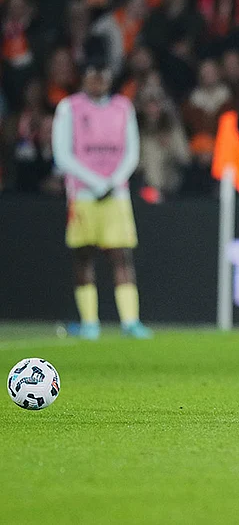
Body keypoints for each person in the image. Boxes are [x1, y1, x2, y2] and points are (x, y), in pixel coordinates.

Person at [52, 36, 152, 340]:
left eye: (103, 76)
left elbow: (132, 153)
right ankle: (90, 323)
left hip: (116, 194)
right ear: (84, 78)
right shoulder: (69, 108)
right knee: (83, 256)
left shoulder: (123, 107)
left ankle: (130, 321)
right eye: (93, 76)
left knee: (121, 255)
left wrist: (112, 182)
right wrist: (96, 182)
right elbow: (62, 154)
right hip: (82, 194)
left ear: (109, 78)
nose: (98, 81)